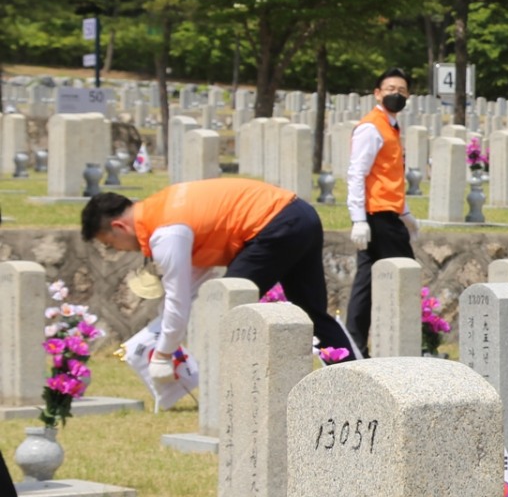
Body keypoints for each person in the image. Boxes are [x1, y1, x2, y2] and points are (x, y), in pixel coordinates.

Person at [81, 177, 360, 380]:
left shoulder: (165, 233)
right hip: (300, 213)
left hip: (273, 225)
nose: (116, 249)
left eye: (109, 243)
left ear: (118, 226)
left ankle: (244, 386)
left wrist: (164, 354)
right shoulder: (161, 208)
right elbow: (189, 287)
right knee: (311, 313)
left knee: (231, 310)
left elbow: (179, 298)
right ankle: (353, 378)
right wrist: (161, 332)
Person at [345, 67, 419, 356]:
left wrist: (407, 214)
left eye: (401, 91)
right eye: (390, 89)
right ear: (377, 93)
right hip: (377, 218)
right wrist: (358, 219)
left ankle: (354, 345)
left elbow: (388, 177)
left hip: (389, 214)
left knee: (365, 282)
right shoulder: (371, 127)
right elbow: (356, 173)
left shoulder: (390, 127)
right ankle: (400, 345)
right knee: (406, 279)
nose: (396, 95)